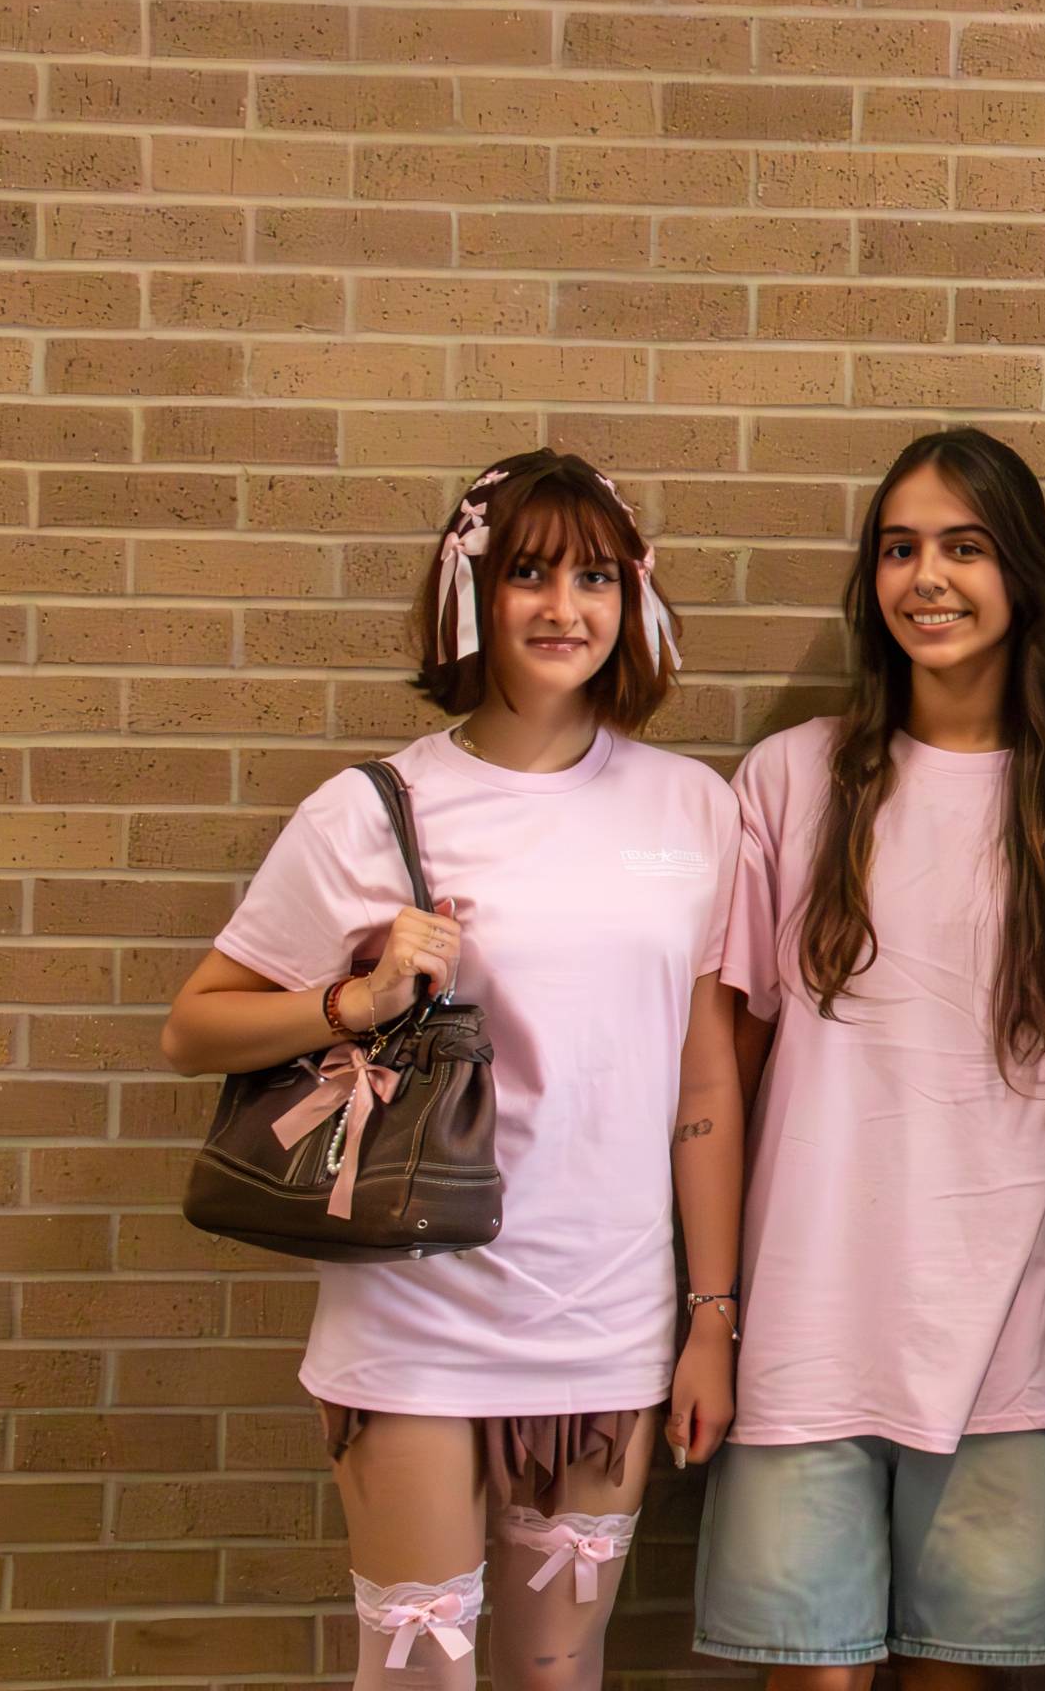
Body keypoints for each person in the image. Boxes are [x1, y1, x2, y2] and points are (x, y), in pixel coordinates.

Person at [160, 449, 742, 1690]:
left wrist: (712, 1319)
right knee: (417, 1671)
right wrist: (354, 999)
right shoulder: (375, 810)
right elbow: (194, 1027)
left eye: (594, 575)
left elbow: (704, 1087)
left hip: (606, 1315)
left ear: (631, 598)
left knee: (556, 1676)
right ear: (471, 591)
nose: (562, 607)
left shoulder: (694, 810)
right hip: (413, 1313)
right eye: (526, 573)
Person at [691, 430, 1045, 1687]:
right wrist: (710, 1314)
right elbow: (719, 1074)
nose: (928, 577)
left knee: (956, 1669)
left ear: (1021, 573)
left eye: (965, 548)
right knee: (810, 1672)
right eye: (901, 548)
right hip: (809, 1317)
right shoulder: (790, 779)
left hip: (1008, 1325)